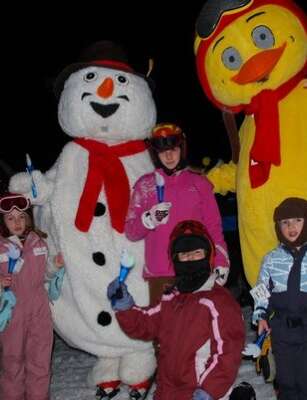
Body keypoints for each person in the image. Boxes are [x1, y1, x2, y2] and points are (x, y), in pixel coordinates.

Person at [108, 220, 245, 400]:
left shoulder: (218, 302)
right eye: (184, 255)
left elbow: (228, 352)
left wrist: (209, 390)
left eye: (197, 253)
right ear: (175, 259)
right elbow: (145, 324)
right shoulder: (171, 297)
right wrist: (125, 306)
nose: (190, 260)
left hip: (201, 391)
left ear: (208, 256)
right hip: (167, 390)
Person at [125, 123, 229, 305]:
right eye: (162, 151)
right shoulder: (145, 186)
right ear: (155, 154)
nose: (169, 155)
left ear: (182, 148)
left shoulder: (199, 184)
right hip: (161, 275)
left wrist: (221, 261)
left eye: (173, 149)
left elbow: (214, 227)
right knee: (164, 331)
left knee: (198, 330)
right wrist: (149, 220)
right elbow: (131, 231)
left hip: (196, 270)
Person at [0, 193, 64, 400]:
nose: (17, 223)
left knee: (40, 358)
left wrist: (55, 265)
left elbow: (45, 274)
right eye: (10, 218)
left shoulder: (39, 243)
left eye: (21, 217)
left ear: (28, 218)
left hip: (38, 309)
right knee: (12, 360)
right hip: (11, 311)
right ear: (3, 221)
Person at [252, 197, 307, 400]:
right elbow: (261, 290)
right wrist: (261, 315)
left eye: (297, 220)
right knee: (286, 379)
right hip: (282, 330)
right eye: (285, 222)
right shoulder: (271, 259)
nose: (291, 227)